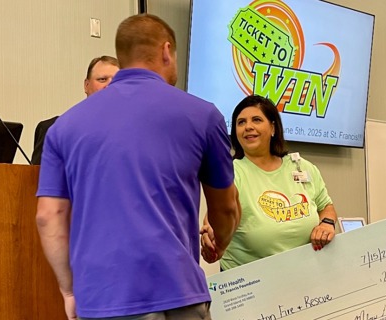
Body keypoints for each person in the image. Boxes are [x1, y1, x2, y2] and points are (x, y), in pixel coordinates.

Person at [35, 14, 240, 320]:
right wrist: (219, 243)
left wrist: (69, 291)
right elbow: (225, 208)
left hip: (102, 300)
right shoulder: (203, 115)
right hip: (178, 293)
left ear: (122, 56)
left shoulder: (64, 127)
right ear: (166, 51)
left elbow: (48, 216)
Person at [200, 95, 338, 271]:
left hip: (305, 276)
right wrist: (211, 236)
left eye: (256, 120)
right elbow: (218, 215)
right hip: (249, 286)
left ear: (273, 128)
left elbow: (326, 205)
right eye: (241, 122)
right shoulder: (231, 172)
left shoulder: (303, 167)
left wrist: (326, 223)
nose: (248, 127)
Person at [31, 55, 120, 165]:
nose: (110, 86)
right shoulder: (55, 129)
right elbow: (38, 180)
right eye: (102, 79)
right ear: (86, 85)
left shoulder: (135, 132)